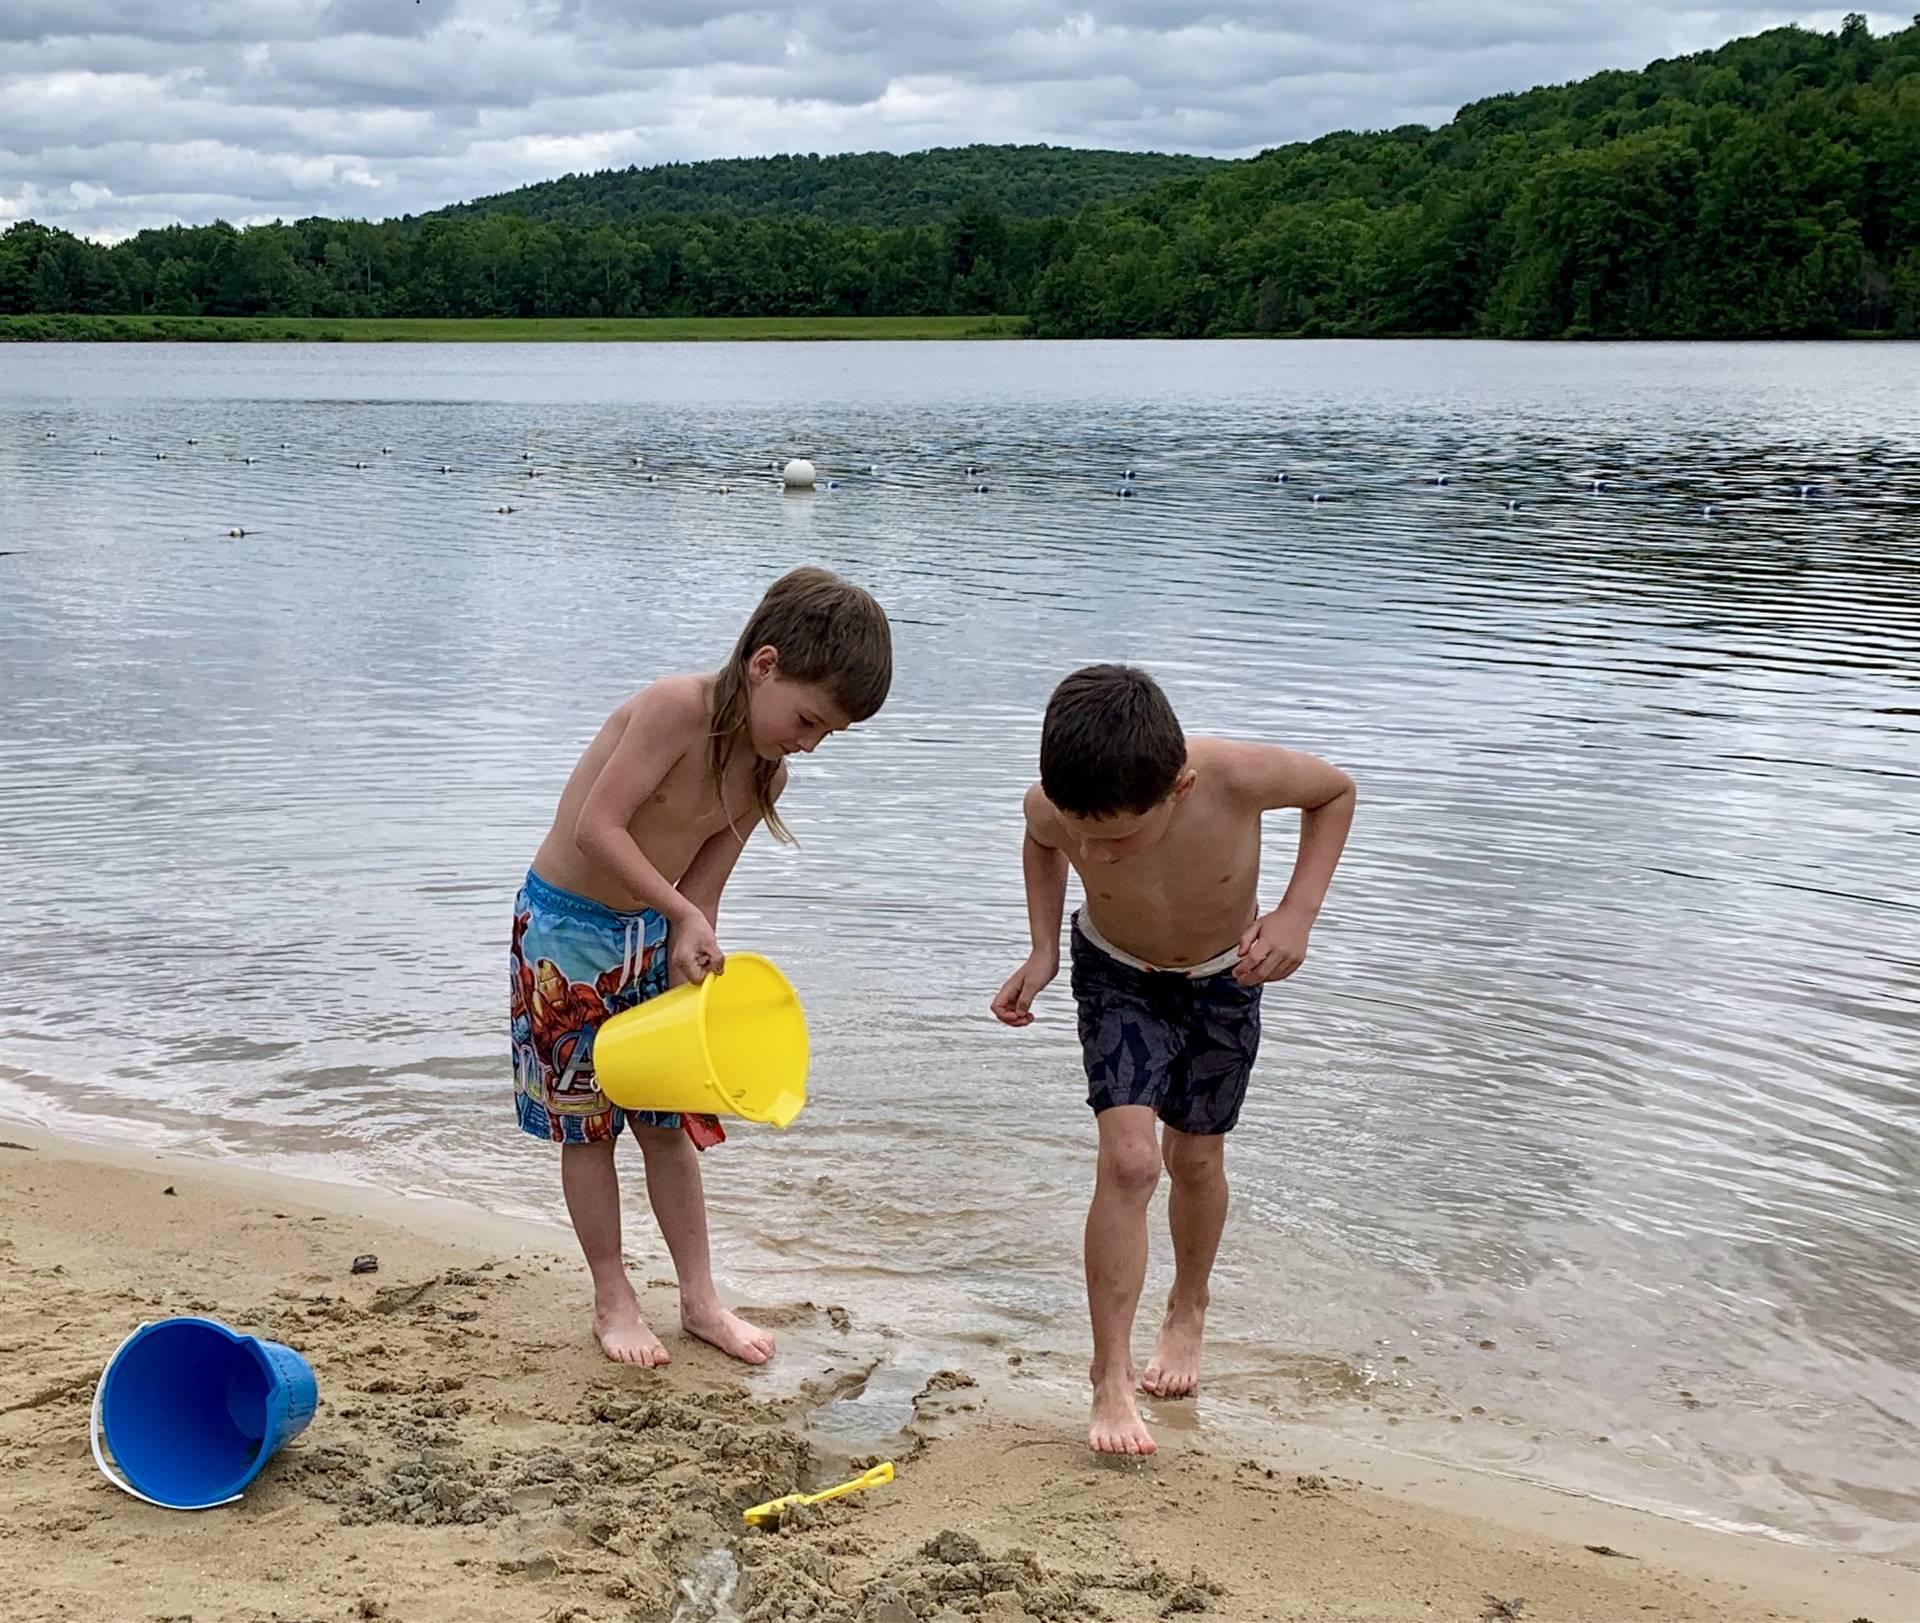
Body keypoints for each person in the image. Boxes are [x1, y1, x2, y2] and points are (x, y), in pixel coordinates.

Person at [510, 567, 892, 1366]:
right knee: (586, 1127)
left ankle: (700, 1299)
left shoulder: (763, 772)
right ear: (764, 663)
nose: (809, 742)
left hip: (654, 934)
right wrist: (678, 911)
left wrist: (693, 937)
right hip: (567, 932)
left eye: (829, 735)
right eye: (808, 718)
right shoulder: (674, 710)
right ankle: (613, 1298)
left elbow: (703, 889)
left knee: (665, 1122)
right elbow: (597, 828)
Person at [992, 664, 1355, 1454]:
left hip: (1226, 978)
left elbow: (1335, 793)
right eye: (1082, 829)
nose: (1097, 850)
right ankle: (1109, 1375)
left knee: (1194, 1158)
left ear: (1180, 787)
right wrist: (1045, 946)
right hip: (1116, 975)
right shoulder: (1054, 805)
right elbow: (1043, 839)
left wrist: (1297, 914)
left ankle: (1187, 1307)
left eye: (1116, 835)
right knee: (1129, 1163)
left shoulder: (1236, 775)